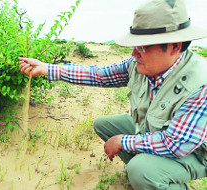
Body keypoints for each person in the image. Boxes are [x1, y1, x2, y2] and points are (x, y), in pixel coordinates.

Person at [18, 0, 207, 189]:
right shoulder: (138, 65)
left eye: (143, 47)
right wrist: (47, 69)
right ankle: (149, 172)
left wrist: (123, 141)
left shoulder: (199, 84)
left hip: (193, 152)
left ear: (174, 46)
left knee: (140, 171)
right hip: (154, 133)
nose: (134, 53)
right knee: (105, 125)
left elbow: (175, 145)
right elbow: (98, 75)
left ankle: (151, 176)